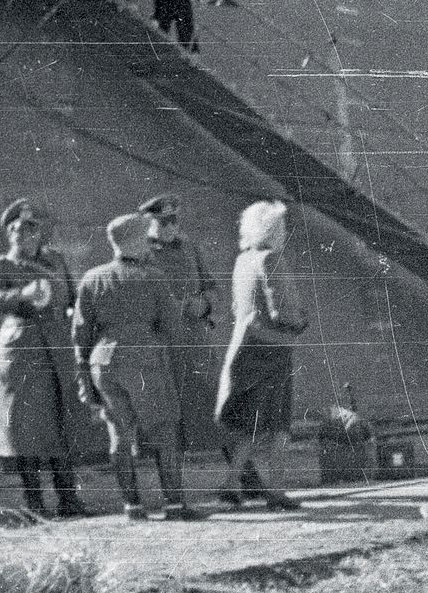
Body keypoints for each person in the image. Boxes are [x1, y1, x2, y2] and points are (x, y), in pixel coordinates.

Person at [73, 214, 201, 522]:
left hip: (102, 363)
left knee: (119, 433)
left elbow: (80, 332)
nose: (148, 245)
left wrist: (83, 379)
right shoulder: (153, 277)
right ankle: (174, 505)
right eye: (145, 239)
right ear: (134, 242)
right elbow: (173, 328)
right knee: (164, 430)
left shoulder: (92, 278)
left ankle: (132, 507)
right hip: (144, 360)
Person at [0, 199, 90, 517]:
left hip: (58, 350)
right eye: (17, 230)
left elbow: (73, 299)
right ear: (9, 234)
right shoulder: (1, 266)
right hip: (22, 352)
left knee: (60, 420)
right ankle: (34, 503)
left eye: (30, 229)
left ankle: (68, 499)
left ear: (41, 233)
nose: (23, 235)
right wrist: (19, 296)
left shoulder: (57, 262)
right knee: (25, 428)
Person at [216, 200, 307, 509]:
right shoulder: (272, 259)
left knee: (252, 422)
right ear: (270, 230)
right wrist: (300, 323)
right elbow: (282, 311)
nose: (284, 232)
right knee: (279, 422)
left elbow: (236, 309)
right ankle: (276, 490)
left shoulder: (243, 261)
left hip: (246, 348)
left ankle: (231, 482)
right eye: (280, 226)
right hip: (273, 349)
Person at [141, 194, 220, 452]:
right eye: (163, 222)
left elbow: (211, 287)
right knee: (170, 418)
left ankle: (243, 477)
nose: (170, 227)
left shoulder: (189, 247)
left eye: (174, 221)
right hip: (163, 344)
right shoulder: (140, 253)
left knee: (216, 407)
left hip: (196, 342)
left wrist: (205, 304)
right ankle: (174, 488)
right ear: (148, 223)